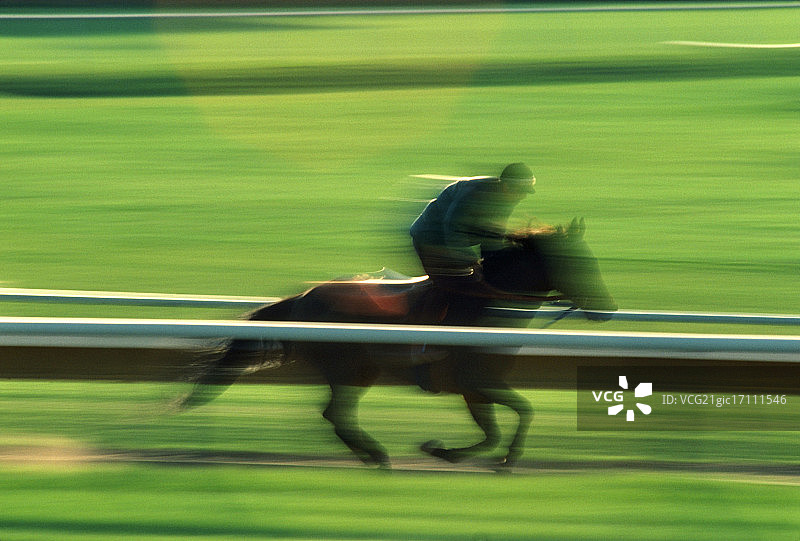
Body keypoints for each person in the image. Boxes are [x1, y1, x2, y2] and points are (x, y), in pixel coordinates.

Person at [410, 162, 539, 301]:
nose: (523, 196)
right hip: (429, 237)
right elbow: (452, 229)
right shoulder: (474, 194)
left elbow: (494, 235)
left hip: (451, 237)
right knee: (454, 284)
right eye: (521, 191)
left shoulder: (509, 197)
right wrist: (470, 259)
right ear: (506, 186)